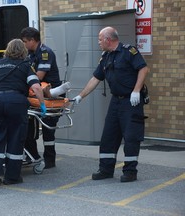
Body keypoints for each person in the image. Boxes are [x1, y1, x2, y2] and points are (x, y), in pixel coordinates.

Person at [73, 26, 149, 182]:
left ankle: (130, 171)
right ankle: (106, 169)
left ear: (108, 39)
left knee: (131, 137)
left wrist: (136, 91)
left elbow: (143, 69)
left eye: (100, 39)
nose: (99, 42)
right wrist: (80, 96)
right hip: (116, 101)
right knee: (109, 135)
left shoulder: (129, 52)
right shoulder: (105, 57)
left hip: (131, 101)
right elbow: (96, 78)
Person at [0, 39, 46, 186]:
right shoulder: (26, 66)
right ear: (23, 51)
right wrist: (42, 104)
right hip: (16, 103)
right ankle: (12, 177)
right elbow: (37, 87)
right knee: (15, 139)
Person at [21, 27, 66, 169]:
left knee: (48, 129)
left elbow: (38, 76)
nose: (24, 45)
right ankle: (32, 156)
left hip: (51, 94)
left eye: (25, 42)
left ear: (33, 41)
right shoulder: (30, 53)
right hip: (36, 93)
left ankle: (50, 160)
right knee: (28, 127)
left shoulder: (45, 53)